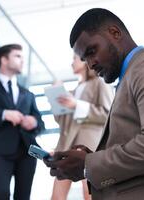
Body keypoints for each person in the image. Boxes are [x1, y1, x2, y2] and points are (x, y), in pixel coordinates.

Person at [44, 8, 144, 200]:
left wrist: (89, 164)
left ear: (115, 33)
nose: (90, 64)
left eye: (92, 51)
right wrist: (92, 157)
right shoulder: (128, 79)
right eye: (85, 59)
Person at [0, 44, 45, 200]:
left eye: (23, 57)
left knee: (23, 197)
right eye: (17, 56)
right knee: (0, 195)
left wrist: (34, 122)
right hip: (1, 151)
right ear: (4, 60)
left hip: (28, 152)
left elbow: (41, 124)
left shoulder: (28, 94)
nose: (22, 61)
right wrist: (3, 114)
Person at [50, 53, 114, 200]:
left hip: (89, 147)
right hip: (67, 147)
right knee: (56, 196)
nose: (71, 62)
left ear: (85, 60)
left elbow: (107, 114)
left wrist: (77, 105)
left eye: (74, 58)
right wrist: (56, 98)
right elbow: (62, 122)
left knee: (90, 195)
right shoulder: (74, 90)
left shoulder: (99, 83)